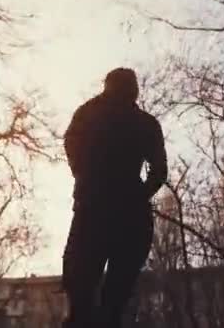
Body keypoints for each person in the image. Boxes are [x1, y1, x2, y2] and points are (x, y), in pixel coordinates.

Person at [62, 67, 167, 328]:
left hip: (101, 212)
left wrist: (85, 178)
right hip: (113, 213)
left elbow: (71, 143)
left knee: (90, 297)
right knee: (100, 300)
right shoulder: (140, 121)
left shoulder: (91, 113)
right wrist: (136, 196)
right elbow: (159, 172)